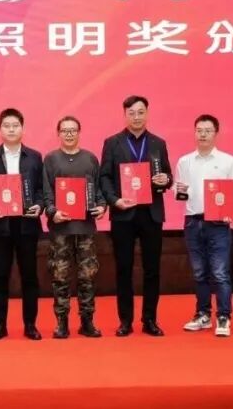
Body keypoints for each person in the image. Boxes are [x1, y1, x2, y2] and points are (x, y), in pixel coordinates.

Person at [98, 95, 172, 337]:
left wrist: (165, 180)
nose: (137, 117)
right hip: (124, 213)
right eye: (132, 113)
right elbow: (104, 177)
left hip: (151, 214)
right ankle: (125, 321)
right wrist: (114, 200)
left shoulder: (158, 143)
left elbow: (167, 176)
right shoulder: (112, 143)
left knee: (152, 270)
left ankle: (150, 320)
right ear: (125, 115)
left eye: (141, 112)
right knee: (124, 269)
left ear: (147, 113)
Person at [0, 108, 45, 340]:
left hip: (27, 225)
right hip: (1, 225)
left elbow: (40, 189)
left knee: (29, 276)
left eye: (15, 125)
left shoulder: (34, 156)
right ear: (0, 130)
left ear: (22, 128)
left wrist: (39, 205)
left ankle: (30, 325)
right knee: (0, 276)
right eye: (6, 126)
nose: (11, 129)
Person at [176, 114, 233, 338]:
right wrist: (179, 191)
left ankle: (224, 316)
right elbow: (180, 191)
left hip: (218, 223)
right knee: (199, 272)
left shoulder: (228, 161)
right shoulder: (184, 161)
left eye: (208, 131)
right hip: (193, 221)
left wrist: (231, 213)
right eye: (199, 130)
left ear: (216, 133)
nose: (203, 134)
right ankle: (202, 314)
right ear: (194, 133)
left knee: (220, 272)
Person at [43, 116, 106, 339]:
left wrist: (101, 206)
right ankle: (61, 323)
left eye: (73, 130)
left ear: (79, 133)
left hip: (85, 228)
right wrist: (53, 212)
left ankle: (87, 321)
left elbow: (98, 190)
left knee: (87, 276)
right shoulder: (51, 159)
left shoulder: (90, 159)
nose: (69, 134)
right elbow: (47, 192)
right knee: (60, 277)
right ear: (58, 133)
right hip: (61, 229)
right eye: (65, 131)